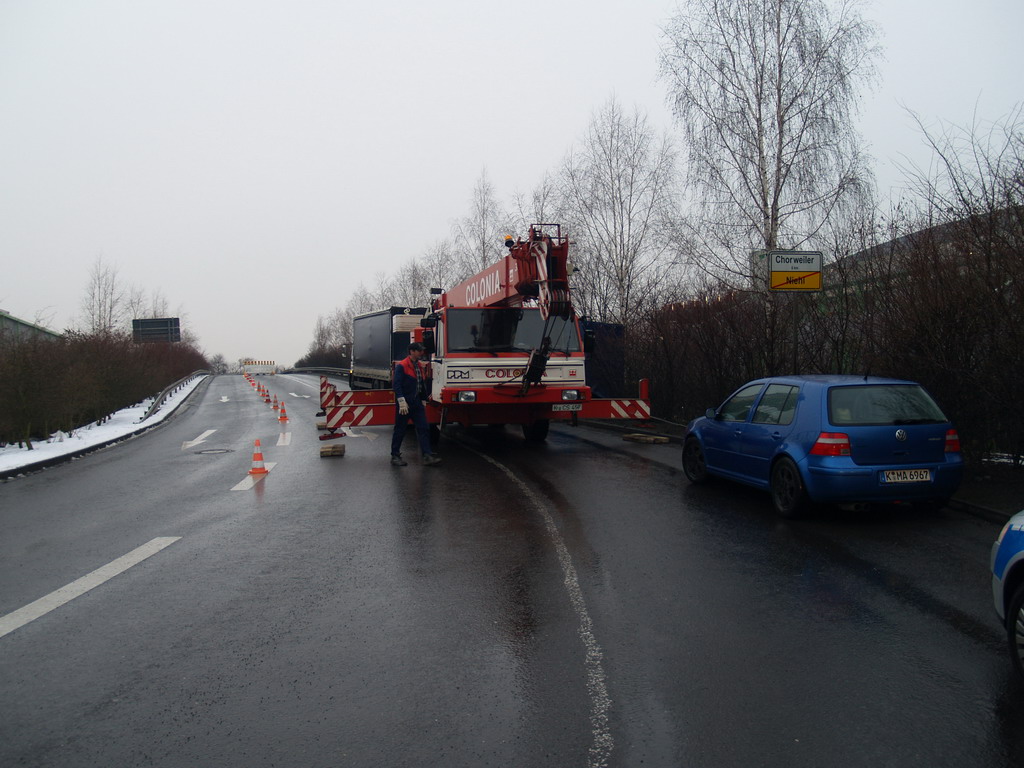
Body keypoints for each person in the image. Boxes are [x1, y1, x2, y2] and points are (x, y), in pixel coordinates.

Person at [390, 342, 441, 466]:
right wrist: (401, 401)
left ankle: (427, 455)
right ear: (412, 351)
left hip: (417, 403)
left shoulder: (418, 366)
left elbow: (421, 383)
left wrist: (423, 398)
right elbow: (396, 385)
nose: (421, 353)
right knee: (400, 429)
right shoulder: (402, 366)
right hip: (405, 404)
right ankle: (395, 456)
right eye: (419, 351)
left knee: (424, 428)